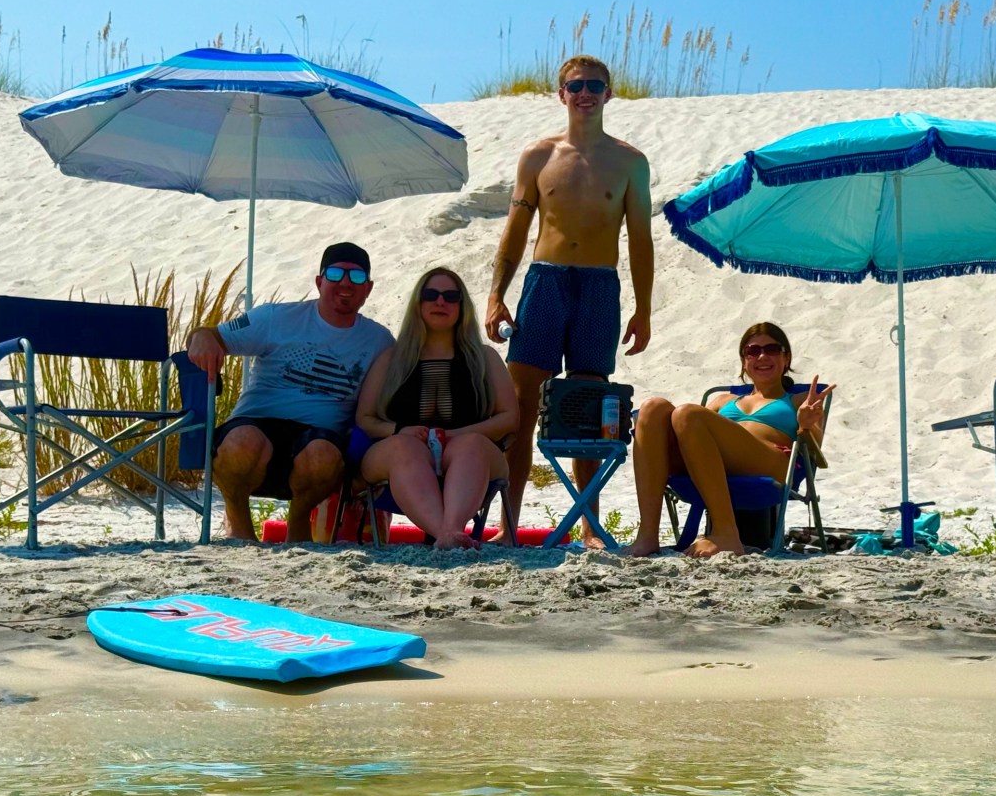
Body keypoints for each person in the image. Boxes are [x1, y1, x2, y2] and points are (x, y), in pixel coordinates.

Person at [485, 54, 654, 549]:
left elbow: (640, 240)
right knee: (520, 404)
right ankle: (510, 523)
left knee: (586, 402)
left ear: (608, 93)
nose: (585, 93)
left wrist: (644, 309)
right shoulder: (538, 157)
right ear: (561, 94)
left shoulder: (629, 161)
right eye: (576, 86)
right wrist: (497, 296)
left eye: (594, 85)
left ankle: (589, 524)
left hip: (599, 286)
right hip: (545, 283)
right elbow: (515, 232)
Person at [187, 241, 392, 543]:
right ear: (319, 281)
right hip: (257, 422)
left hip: (320, 436)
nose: (346, 283)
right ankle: (239, 528)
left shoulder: (380, 341)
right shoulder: (275, 318)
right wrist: (202, 336)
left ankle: (298, 528)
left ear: (369, 288)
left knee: (323, 454)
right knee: (241, 442)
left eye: (357, 277)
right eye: (336, 274)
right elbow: (210, 335)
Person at [627, 323, 835, 559]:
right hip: (715, 465)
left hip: (771, 462)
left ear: (786, 358)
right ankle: (647, 535)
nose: (762, 356)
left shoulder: (799, 400)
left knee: (688, 413)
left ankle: (726, 532)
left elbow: (815, 450)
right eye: (753, 351)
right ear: (744, 361)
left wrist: (806, 424)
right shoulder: (722, 400)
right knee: (653, 408)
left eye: (772, 349)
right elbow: (692, 436)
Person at [355, 268, 518, 550]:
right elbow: (364, 418)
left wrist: (456, 434)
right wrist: (398, 430)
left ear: (462, 306)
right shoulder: (392, 359)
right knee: (405, 447)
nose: (440, 302)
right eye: (430, 295)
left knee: (471, 446)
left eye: (450, 296)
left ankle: (449, 531)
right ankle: (448, 535)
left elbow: (510, 418)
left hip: (471, 453)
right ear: (417, 304)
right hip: (400, 450)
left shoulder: (485, 358)